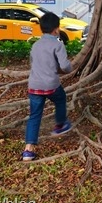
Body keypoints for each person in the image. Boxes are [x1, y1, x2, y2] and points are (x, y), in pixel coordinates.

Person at [22, 12, 73, 161]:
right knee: (61, 98)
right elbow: (65, 66)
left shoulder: (35, 45)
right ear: (56, 29)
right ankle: (60, 124)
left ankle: (28, 150)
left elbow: (34, 64)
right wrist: (70, 67)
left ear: (41, 29)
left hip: (34, 85)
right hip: (50, 84)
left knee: (34, 116)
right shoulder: (58, 44)